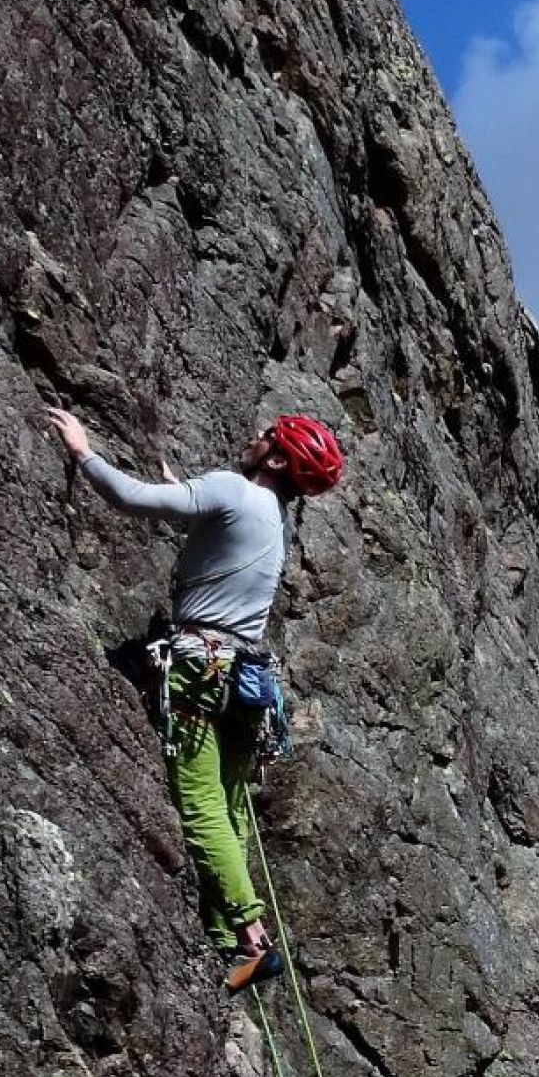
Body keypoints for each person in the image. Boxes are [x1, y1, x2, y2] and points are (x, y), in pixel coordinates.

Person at [45, 403, 346, 991]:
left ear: (278, 457)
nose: (253, 438)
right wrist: (183, 491)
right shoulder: (273, 518)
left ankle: (250, 935)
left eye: (266, 438)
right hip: (247, 679)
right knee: (232, 806)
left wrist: (83, 453)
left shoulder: (233, 491)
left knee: (202, 800)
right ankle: (225, 936)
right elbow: (214, 542)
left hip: (200, 669)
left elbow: (129, 498)